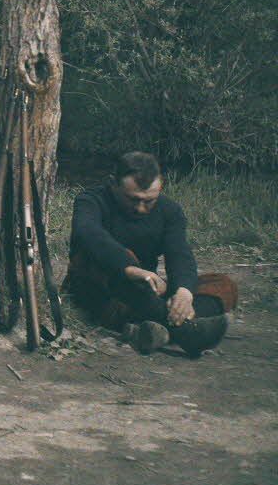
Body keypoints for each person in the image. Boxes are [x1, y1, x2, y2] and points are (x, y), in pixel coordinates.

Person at [65, 151, 237, 357]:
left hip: (147, 296)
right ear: (113, 184)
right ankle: (186, 330)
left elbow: (179, 252)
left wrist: (184, 292)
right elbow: (89, 234)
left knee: (223, 285)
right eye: (133, 200)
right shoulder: (91, 201)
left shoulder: (170, 210)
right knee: (102, 265)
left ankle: (159, 329)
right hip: (107, 293)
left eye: (149, 201)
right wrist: (129, 269)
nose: (141, 208)